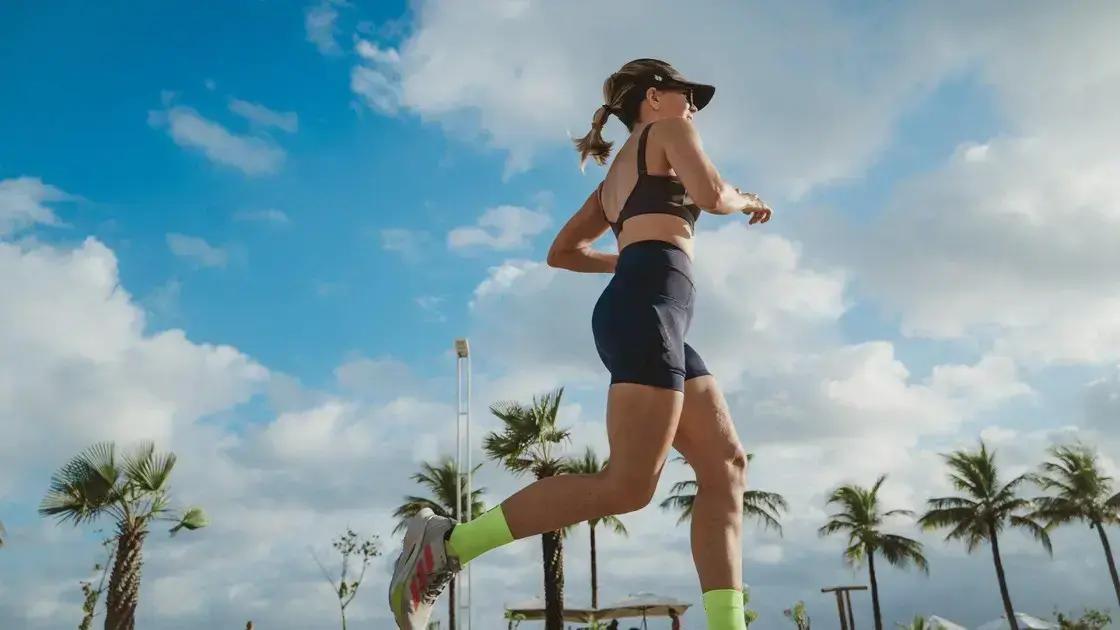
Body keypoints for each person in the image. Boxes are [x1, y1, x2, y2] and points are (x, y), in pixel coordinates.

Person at [388, 58, 772, 630]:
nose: (693, 106)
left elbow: (562, 252)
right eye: (687, 94)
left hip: (648, 310)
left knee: (726, 465)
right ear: (655, 95)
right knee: (628, 486)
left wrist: (637, 256)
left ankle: (728, 625)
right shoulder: (670, 132)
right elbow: (713, 195)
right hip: (647, 314)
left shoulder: (614, 177)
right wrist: (745, 199)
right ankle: (452, 543)